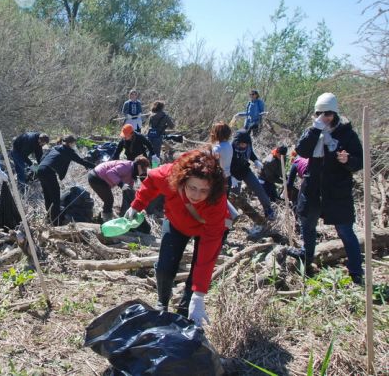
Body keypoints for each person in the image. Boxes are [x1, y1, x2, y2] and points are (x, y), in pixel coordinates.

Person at [124, 149, 228, 326]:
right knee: (165, 267)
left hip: (205, 229)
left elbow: (207, 255)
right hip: (176, 222)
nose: (196, 195)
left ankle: (185, 312)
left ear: (212, 189)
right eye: (192, 188)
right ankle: (162, 303)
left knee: (196, 273)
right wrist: (137, 205)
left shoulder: (216, 202)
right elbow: (150, 183)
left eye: (204, 190)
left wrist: (199, 294)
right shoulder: (169, 176)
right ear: (183, 181)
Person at [288, 93, 363, 283]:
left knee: (345, 230)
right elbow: (302, 150)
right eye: (320, 113)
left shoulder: (347, 134)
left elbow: (359, 161)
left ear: (335, 113)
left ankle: (355, 271)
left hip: (337, 190)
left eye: (328, 113)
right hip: (313, 186)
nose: (324, 117)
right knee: (307, 225)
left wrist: (348, 160)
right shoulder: (313, 130)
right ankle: (307, 258)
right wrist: (315, 129)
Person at [37, 135, 95, 225]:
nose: (74, 145)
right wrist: (95, 166)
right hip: (49, 172)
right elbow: (81, 161)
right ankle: (56, 222)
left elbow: (43, 157)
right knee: (55, 198)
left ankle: (49, 218)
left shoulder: (55, 148)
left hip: (40, 170)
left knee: (48, 196)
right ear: (71, 143)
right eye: (74, 143)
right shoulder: (68, 151)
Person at [229, 129, 275, 220]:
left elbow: (251, 154)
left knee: (259, 188)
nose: (244, 145)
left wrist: (256, 160)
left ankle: (268, 210)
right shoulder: (230, 148)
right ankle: (232, 219)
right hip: (233, 174)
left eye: (245, 144)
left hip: (245, 170)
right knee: (235, 197)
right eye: (242, 143)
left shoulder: (248, 145)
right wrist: (230, 177)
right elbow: (225, 165)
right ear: (237, 142)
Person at [88, 156, 150, 221]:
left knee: (111, 199)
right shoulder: (126, 167)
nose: (144, 171)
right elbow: (110, 173)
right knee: (109, 200)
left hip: (101, 179)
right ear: (139, 166)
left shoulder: (133, 172)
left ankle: (102, 218)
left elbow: (129, 188)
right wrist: (121, 184)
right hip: (96, 177)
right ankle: (105, 220)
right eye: (143, 169)